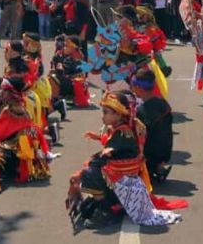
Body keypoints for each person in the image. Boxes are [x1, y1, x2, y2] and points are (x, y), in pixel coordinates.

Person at [66, 91, 185, 230]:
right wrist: (99, 138)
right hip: (127, 175)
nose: (102, 115)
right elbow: (116, 145)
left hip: (123, 178)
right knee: (91, 169)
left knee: (89, 173)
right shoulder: (128, 126)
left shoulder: (123, 131)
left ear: (118, 114)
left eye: (106, 112)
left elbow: (111, 150)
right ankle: (104, 203)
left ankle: (106, 211)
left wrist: (83, 171)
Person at [131, 68, 173, 181]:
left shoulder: (141, 111)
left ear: (139, 88)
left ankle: (147, 168)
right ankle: (158, 167)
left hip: (149, 155)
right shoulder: (164, 103)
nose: (133, 90)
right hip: (165, 153)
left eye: (133, 87)